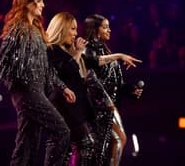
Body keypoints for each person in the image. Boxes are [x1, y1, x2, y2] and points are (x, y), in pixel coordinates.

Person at [0, 0, 76, 166]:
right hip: (27, 92)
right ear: (27, 3)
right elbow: (4, 59)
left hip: (36, 90)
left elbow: (45, 66)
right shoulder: (18, 29)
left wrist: (63, 88)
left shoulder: (37, 30)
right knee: (62, 131)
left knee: (27, 146)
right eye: (39, 1)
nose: (43, 4)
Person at [46, 12, 141, 166]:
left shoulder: (70, 49)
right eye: (72, 29)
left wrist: (119, 56)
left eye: (76, 29)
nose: (76, 33)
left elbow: (95, 62)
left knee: (82, 146)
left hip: (80, 106)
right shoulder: (52, 50)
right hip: (66, 106)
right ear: (62, 29)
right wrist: (77, 53)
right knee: (82, 144)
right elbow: (68, 71)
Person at [83, 14, 143, 166]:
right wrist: (119, 56)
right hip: (97, 107)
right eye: (105, 27)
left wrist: (131, 90)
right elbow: (92, 65)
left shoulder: (107, 51)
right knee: (117, 139)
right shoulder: (86, 50)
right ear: (95, 30)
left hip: (111, 106)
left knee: (108, 146)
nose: (109, 30)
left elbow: (118, 84)